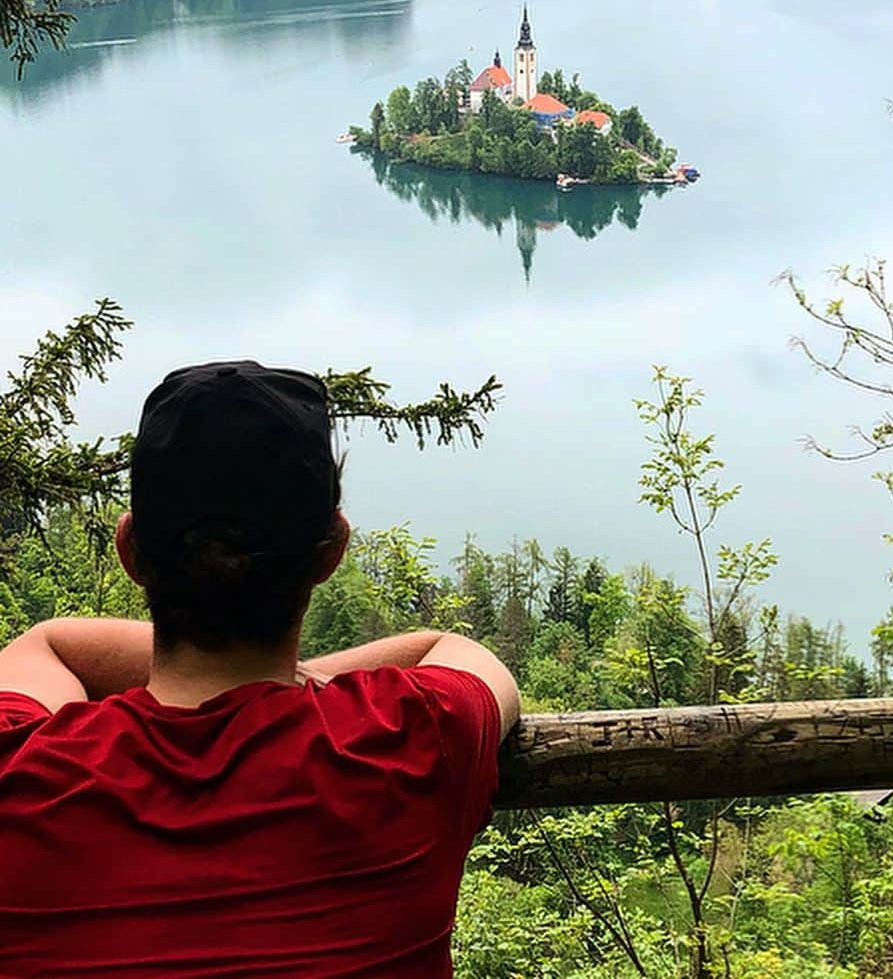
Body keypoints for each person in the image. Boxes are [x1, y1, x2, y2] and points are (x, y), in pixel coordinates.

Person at [0, 360, 520, 978]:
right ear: (331, 552)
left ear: (130, 551)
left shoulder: (19, 769)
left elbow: (46, 644)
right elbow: (462, 653)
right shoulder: (416, 738)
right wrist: (298, 680)